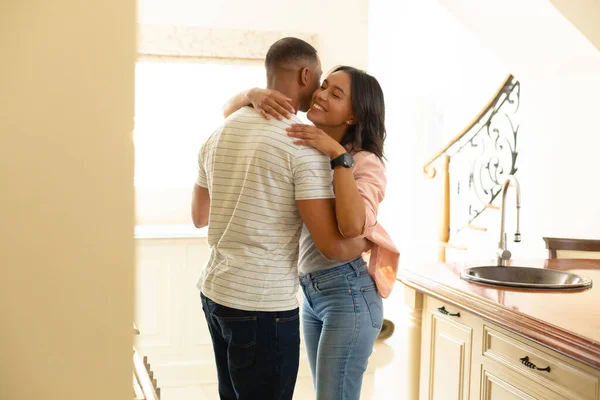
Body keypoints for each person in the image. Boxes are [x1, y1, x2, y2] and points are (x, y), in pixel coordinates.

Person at [191, 38, 370, 400]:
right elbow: (332, 247)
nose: (320, 92)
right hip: (262, 304)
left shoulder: (218, 133)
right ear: (305, 74)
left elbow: (199, 217)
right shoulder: (301, 146)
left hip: (215, 292)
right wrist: (375, 238)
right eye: (320, 81)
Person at [224, 66, 400, 400]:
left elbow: (352, 226)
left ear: (354, 116)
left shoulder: (364, 162)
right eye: (323, 86)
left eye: (336, 94)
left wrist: (338, 156)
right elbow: (227, 115)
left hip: (349, 293)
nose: (320, 95)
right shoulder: (304, 139)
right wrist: (251, 95)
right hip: (311, 293)